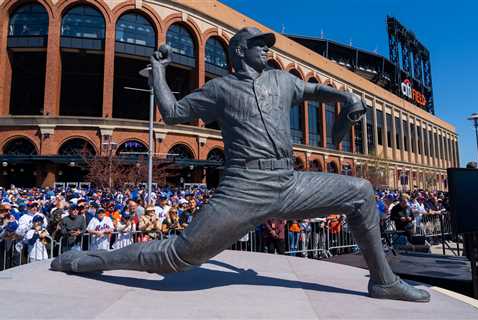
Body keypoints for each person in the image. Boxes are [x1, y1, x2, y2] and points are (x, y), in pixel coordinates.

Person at [51, 27, 429, 302]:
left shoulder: (281, 80)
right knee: (177, 258)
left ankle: (383, 281)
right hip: (243, 187)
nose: (265, 51)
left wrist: (344, 96)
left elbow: (315, 90)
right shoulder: (221, 89)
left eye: (266, 46)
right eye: (258, 46)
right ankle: (87, 261)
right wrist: (161, 74)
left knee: (361, 192)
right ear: (239, 52)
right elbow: (172, 114)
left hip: (288, 181)